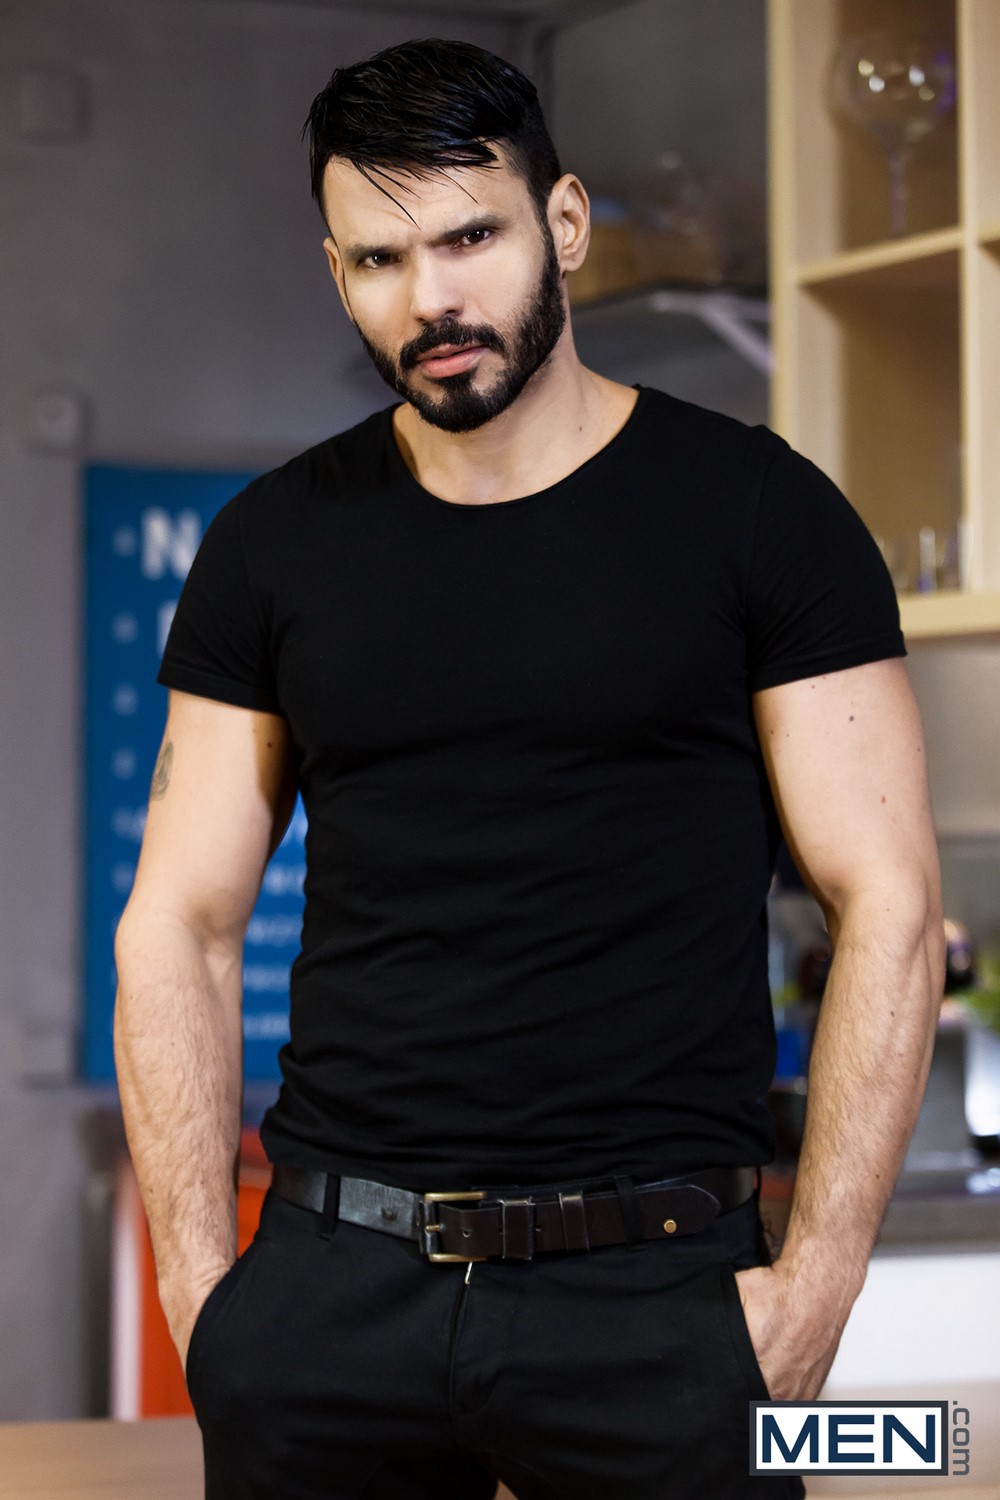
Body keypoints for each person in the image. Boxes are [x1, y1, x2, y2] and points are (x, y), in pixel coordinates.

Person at [113, 36, 944, 1500]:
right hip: (332, 1288)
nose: (429, 298)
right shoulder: (271, 545)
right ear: (336, 272)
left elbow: (889, 898)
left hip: (663, 1294)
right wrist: (206, 1301)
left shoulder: (761, 513)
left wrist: (815, 1288)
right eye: (380, 259)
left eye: (470, 238)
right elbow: (177, 922)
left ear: (563, 223)